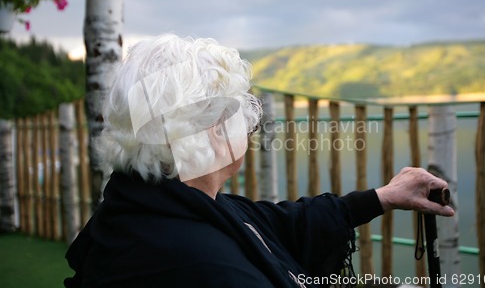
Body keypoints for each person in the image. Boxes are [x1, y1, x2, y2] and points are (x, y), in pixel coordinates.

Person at [64, 34, 454, 288]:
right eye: (243, 110)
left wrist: (383, 196)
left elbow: (278, 225)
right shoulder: (209, 269)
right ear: (213, 130)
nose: (250, 124)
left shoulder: (155, 205)